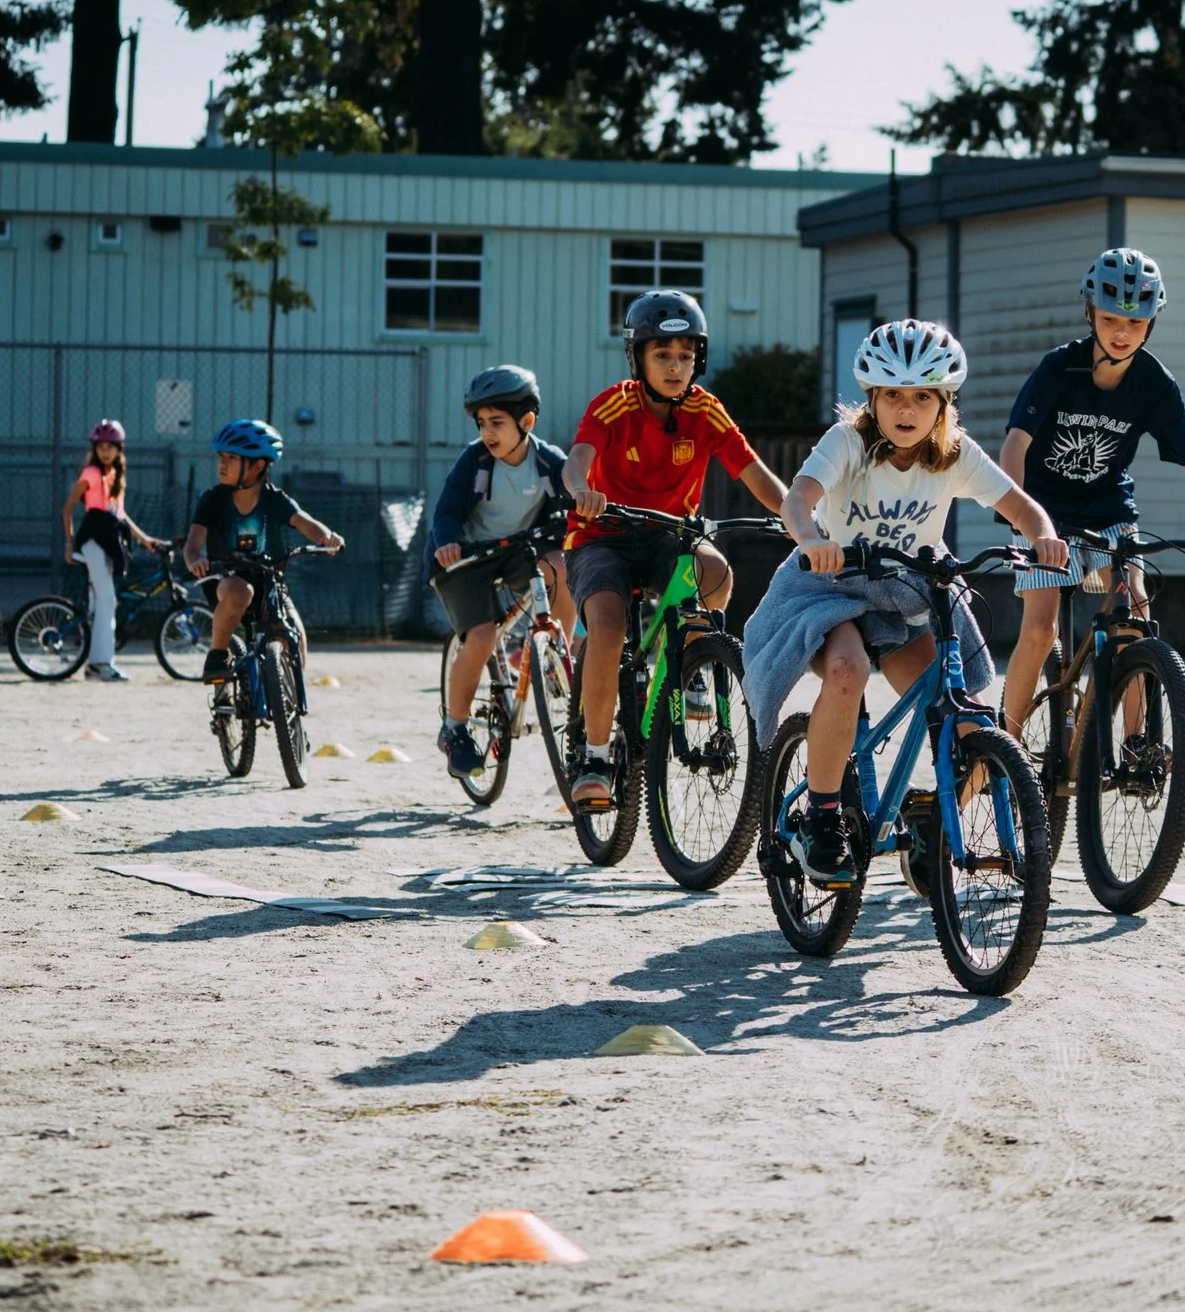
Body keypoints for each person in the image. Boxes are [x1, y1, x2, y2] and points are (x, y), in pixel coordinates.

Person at [744, 321, 1068, 886]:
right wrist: (812, 540)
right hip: (832, 588)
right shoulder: (847, 442)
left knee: (961, 718)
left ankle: (928, 820)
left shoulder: (954, 454)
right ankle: (821, 817)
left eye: (923, 396)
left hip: (904, 597)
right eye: (893, 394)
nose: (907, 409)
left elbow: (1021, 507)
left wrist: (1042, 536)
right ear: (872, 398)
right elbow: (799, 498)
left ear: (944, 403)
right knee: (846, 671)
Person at [997, 249, 1185, 743]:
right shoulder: (1058, 369)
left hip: (1109, 512)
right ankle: (1008, 743)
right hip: (1045, 513)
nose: (1121, 331)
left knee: (1134, 614)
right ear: (1090, 313)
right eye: (1110, 318)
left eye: (1135, 320)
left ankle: (1136, 745)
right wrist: (1020, 514)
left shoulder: (1154, 384)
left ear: (1151, 323)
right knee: (1040, 630)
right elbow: (1015, 445)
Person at [561, 291, 788, 808]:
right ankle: (595, 755)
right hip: (602, 534)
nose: (675, 366)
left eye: (686, 356)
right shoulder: (614, 403)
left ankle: (690, 667)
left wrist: (801, 520)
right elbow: (576, 460)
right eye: (662, 354)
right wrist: (581, 491)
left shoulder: (706, 411)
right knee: (607, 624)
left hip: (667, 534)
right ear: (638, 357)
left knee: (716, 573)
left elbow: (754, 473)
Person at [427, 365, 574, 778]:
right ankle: (454, 729)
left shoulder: (549, 463)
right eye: (481, 423)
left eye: (497, 422)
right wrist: (447, 543)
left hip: (518, 551)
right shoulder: (473, 462)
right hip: (465, 558)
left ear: (527, 421)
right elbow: (447, 512)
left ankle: (557, 656)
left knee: (561, 565)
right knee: (483, 635)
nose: (487, 432)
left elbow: (574, 506)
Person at [182, 419, 343, 684]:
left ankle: (286, 709)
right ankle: (217, 654)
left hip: (269, 581)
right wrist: (195, 561)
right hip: (225, 579)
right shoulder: (213, 500)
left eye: (232, 458)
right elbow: (192, 546)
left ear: (257, 465)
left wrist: (328, 537)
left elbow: (305, 522)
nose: (222, 463)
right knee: (239, 591)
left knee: (296, 641)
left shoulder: (275, 499)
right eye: (221, 456)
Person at [62, 419, 163, 682]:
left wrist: (144, 539)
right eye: (100, 447)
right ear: (94, 448)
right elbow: (67, 507)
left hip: (110, 539)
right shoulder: (92, 474)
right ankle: (101, 664)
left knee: (101, 602)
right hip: (93, 540)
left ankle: (95, 663)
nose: (105, 451)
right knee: (107, 600)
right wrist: (69, 543)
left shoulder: (115, 475)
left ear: (120, 449)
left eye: (111, 447)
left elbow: (120, 514)